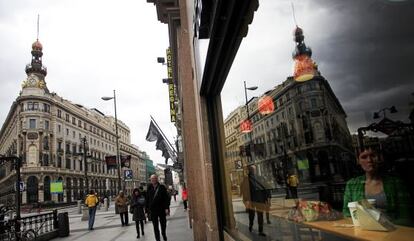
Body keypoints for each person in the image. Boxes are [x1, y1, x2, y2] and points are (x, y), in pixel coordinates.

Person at [342, 147, 412, 226]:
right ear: (358, 161)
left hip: (392, 231)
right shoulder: (352, 184)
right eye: (364, 157)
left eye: (373, 156)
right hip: (363, 231)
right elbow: (346, 212)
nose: (369, 160)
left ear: (380, 158)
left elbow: (405, 217)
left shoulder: (395, 183)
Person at [240, 165, 269, 237]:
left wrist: (266, 198)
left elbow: (264, 188)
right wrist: (246, 200)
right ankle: (251, 225)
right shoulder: (246, 179)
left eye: (254, 169)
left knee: (260, 215)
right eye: (252, 169)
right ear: (249, 170)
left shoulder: (259, 178)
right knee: (251, 215)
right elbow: (244, 190)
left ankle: (260, 230)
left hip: (259, 200)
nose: (253, 170)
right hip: (251, 200)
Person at [146, 174, 170, 241]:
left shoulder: (162, 187)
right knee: (155, 226)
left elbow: (166, 198)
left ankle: (163, 234)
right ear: (150, 180)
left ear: (157, 179)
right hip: (153, 210)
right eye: (152, 179)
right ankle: (157, 239)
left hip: (161, 209)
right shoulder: (149, 188)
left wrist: (166, 208)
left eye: (154, 178)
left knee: (163, 224)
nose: (153, 180)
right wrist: (146, 210)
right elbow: (147, 199)